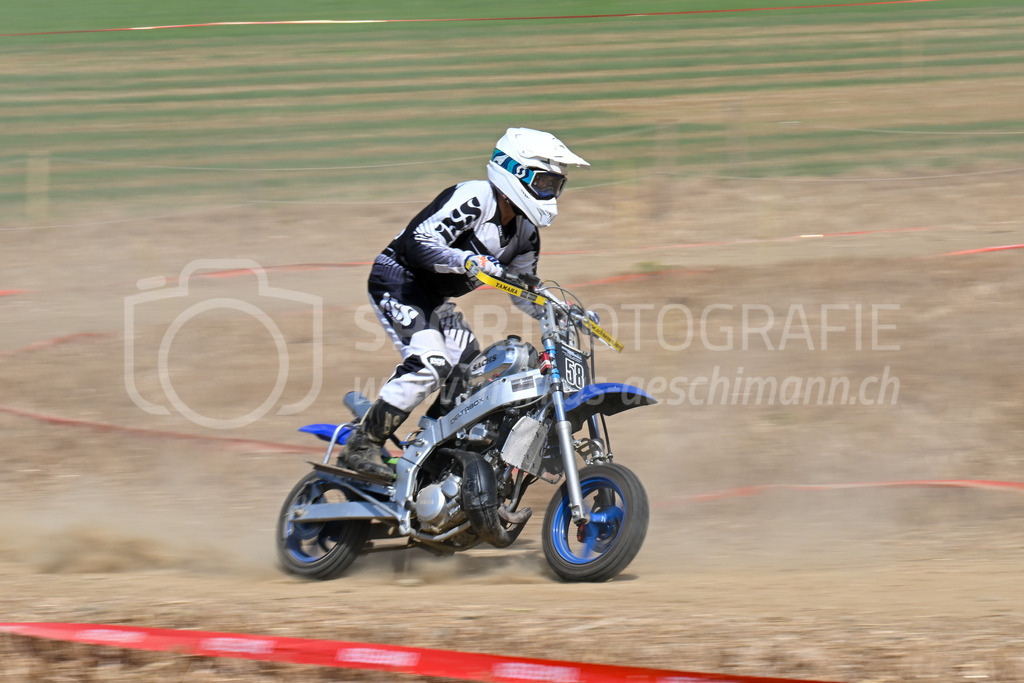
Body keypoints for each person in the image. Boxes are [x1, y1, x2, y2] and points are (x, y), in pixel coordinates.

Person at [337, 127, 589, 477]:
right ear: (517, 173)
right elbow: (416, 242)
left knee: (473, 378)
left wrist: (561, 312)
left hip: (435, 299)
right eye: (544, 183)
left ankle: (429, 450)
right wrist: (465, 261)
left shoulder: (526, 233)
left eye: (555, 186)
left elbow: (522, 288)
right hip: (398, 281)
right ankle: (362, 445)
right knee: (431, 365)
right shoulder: (475, 197)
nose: (549, 193)